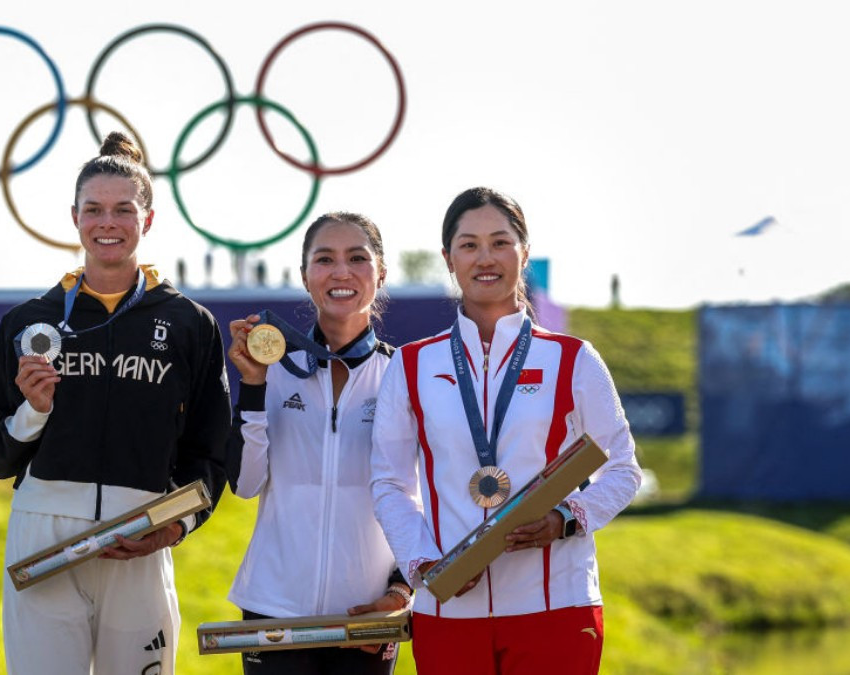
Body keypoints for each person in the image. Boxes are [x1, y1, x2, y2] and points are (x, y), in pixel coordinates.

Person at [0, 132, 230, 675]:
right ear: (74, 217)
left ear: (149, 219)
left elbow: (210, 454)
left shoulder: (191, 324)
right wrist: (34, 412)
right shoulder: (28, 322)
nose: (107, 223)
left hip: (138, 535)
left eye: (123, 210)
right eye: (93, 210)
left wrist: (175, 526)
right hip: (42, 535)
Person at [370, 187, 642, 674]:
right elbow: (390, 482)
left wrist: (565, 518)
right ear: (448, 259)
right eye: (469, 245)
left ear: (525, 252)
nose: (485, 258)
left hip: (557, 605)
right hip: (449, 607)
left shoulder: (573, 358)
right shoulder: (412, 364)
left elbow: (624, 470)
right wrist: (422, 563)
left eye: (500, 242)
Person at [224, 212, 412, 674]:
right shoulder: (273, 369)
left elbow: (422, 498)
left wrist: (403, 590)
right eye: (324, 259)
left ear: (381, 273)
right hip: (273, 605)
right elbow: (245, 484)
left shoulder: (405, 376)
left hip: (367, 613)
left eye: (357, 258)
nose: (341, 272)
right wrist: (251, 385)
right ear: (305, 274)